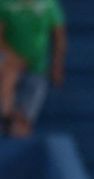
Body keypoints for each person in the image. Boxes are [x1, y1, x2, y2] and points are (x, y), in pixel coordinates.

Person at [0, 0, 65, 137]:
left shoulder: (48, 4)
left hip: (37, 68)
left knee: (23, 122)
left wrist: (57, 66)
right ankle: (6, 115)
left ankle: (17, 126)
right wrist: (13, 58)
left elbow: (59, 35)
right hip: (9, 67)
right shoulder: (5, 4)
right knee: (8, 73)